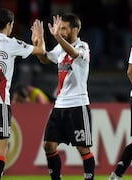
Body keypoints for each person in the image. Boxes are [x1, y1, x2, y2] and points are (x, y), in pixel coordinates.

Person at [0, 8, 46, 180]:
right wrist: (38, 38)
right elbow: (41, 51)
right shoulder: (12, 43)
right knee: (1, 147)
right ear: (9, 25)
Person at [33, 14, 95, 180]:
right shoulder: (60, 48)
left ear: (75, 29)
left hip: (78, 104)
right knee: (48, 145)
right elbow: (45, 59)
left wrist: (57, 37)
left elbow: (74, 53)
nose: (61, 31)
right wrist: (40, 42)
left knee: (83, 148)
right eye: (60, 28)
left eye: (64, 28)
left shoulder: (83, 46)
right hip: (59, 105)